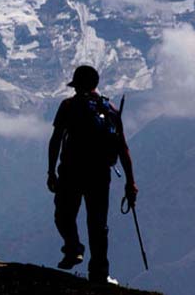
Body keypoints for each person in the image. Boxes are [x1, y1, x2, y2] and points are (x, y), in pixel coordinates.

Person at [47, 65, 138, 285]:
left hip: (71, 172)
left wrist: (51, 171)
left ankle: (73, 248)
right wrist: (130, 182)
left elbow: (56, 139)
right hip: (100, 175)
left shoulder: (68, 106)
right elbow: (122, 148)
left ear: (76, 85)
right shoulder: (111, 109)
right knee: (98, 224)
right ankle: (99, 272)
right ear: (96, 84)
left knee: (64, 215)